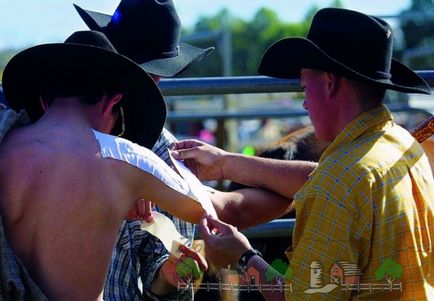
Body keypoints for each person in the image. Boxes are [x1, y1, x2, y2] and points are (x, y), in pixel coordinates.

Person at [171, 8, 434, 300]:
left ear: (330, 83)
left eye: (305, 88)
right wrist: (225, 164)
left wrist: (244, 256)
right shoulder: (404, 146)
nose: (305, 103)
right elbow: (324, 178)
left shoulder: (339, 183)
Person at [0, 30, 209, 300]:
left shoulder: (6, 143)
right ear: (113, 102)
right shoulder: (125, 159)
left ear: (44, 100)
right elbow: (205, 209)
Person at [73, 1, 215, 300]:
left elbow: (161, 275)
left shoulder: (164, 153)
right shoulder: (49, 130)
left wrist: (168, 275)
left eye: (149, 76)